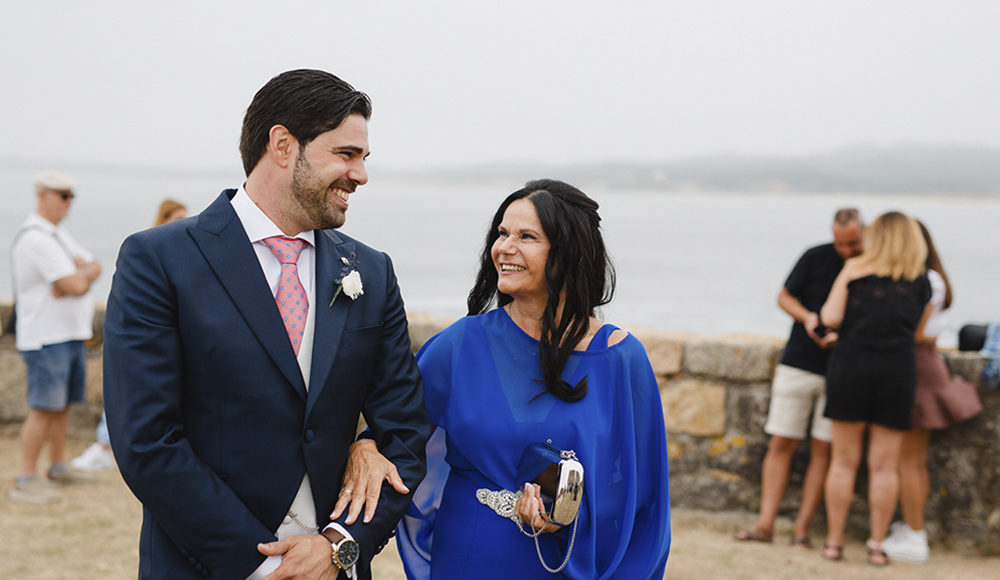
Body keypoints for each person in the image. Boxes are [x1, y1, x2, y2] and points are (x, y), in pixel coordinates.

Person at [103, 69, 432, 579]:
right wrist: (263, 566)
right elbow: (147, 441)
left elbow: (406, 433)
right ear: (282, 145)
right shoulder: (160, 260)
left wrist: (339, 546)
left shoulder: (371, 271)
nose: (361, 174)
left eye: (364, 157)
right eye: (346, 154)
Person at [388, 179, 671, 579]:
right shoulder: (460, 344)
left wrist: (569, 514)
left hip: (564, 563)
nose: (504, 247)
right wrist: (364, 448)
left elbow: (641, 497)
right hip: (469, 552)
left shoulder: (622, 359)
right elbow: (395, 433)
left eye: (526, 236)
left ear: (569, 251)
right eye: (502, 233)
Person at [735, 208, 863, 547]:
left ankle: (801, 531)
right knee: (781, 442)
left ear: (863, 235)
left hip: (841, 369)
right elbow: (784, 296)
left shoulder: (870, 265)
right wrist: (808, 319)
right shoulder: (815, 256)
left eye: (853, 243)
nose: (847, 250)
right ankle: (765, 525)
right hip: (799, 362)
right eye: (841, 243)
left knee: (824, 450)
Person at [819, 211, 931, 566]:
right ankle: (877, 545)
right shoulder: (921, 281)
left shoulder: (855, 272)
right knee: (885, 466)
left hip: (851, 365)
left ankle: (834, 542)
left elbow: (829, 317)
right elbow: (918, 330)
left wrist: (848, 273)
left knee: (843, 460)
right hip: (897, 370)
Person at [881, 221, 982, 563]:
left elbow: (914, 331)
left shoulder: (928, 281)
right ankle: (911, 528)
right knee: (908, 459)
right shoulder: (931, 279)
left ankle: (915, 534)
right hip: (921, 364)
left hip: (918, 366)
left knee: (909, 460)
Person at [73, 199, 191, 472]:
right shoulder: (148, 250)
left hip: (178, 338)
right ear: (164, 219)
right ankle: (103, 446)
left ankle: (105, 446)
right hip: (154, 336)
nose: (184, 223)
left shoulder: (183, 251)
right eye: (177, 217)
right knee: (129, 392)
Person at [8, 170, 102, 503]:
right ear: (43, 196)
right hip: (47, 337)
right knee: (44, 408)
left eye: (71, 196)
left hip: (68, 334)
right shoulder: (35, 238)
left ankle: (58, 466)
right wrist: (78, 277)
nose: (69, 202)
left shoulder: (57, 235)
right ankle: (26, 477)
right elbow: (76, 284)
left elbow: (95, 267)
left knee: (61, 406)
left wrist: (78, 275)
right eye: (63, 196)